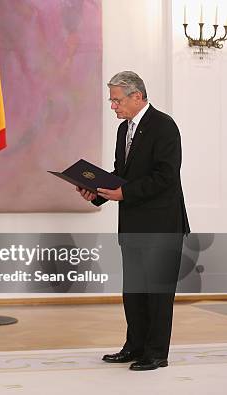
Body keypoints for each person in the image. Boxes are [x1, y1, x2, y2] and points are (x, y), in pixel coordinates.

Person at [77, 71, 189, 371]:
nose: (113, 106)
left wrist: (123, 192)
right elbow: (120, 174)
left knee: (158, 293)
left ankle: (156, 353)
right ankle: (134, 346)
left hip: (162, 225)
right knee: (135, 291)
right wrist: (97, 194)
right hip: (133, 224)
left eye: (117, 100)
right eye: (111, 101)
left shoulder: (164, 126)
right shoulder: (123, 130)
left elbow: (166, 177)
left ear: (137, 96)